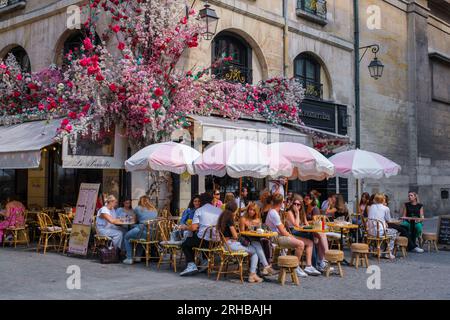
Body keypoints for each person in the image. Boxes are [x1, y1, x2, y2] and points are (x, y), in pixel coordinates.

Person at [265, 194, 321, 277]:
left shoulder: (274, 211)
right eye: (284, 202)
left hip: (280, 234)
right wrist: (291, 236)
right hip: (276, 237)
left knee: (309, 242)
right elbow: (282, 231)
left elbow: (283, 229)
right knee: (300, 244)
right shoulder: (274, 213)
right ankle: (295, 266)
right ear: (281, 203)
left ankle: (308, 266)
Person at [219, 202, 266, 283]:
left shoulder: (222, 216)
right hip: (230, 245)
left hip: (225, 244)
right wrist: (235, 236)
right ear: (234, 209)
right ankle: (252, 274)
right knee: (255, 251)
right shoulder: (229, 218)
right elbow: (235, 236)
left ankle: (254, 273)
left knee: (255, 247)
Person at [179, 192, 222, 276]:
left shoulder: (199, 210)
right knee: (199, 237)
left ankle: (191, 265)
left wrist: (185, 227)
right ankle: (205, 263)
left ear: (202, 201)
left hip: (204, 241)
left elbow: (194, 228)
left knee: (185, 244)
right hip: (217, 242)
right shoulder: (219, 210)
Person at [285, 194, 329, 272]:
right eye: (294, 204)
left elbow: (306, 223)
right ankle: (314, 264)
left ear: (301, 205)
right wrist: (297, 213)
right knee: (312, 240)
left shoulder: (303, 212)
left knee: (318, 236)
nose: (296, 206)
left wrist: (310, 228)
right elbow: (296, 225)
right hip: (293, 232)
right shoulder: (289, 212)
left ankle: (319, 261)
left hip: (300, 231)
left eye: (298, 204)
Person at [239, 202, 274, 275]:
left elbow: (259, 231)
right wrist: (249, 227)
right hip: (245, 240)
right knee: (257, 244)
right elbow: (241, 232)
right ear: (248, 210)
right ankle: (266, 266)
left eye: (253, 210)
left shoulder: (257, 220)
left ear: (256, 212)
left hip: (255, 239)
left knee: (263, 243)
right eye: (250, 209)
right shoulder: (243, 219)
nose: (251, 211)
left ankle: (262, 267)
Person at [122, 196, 158, 264]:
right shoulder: (154, 209)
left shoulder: (138, 208)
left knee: (126, 237)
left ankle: (129, 258)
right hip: (153, 235)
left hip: (142, 231)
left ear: (140, 201)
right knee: (139, 238)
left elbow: (133, 221)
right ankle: (138, 257)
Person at [367, 193, 398, 259]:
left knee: (385, 233)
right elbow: (389, 220)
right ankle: (388, 252)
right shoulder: (386, 208)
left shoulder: (371, 207)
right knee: (394, 232)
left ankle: (380, 251)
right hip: (380, 231)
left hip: (370, 232)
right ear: (383, 199)